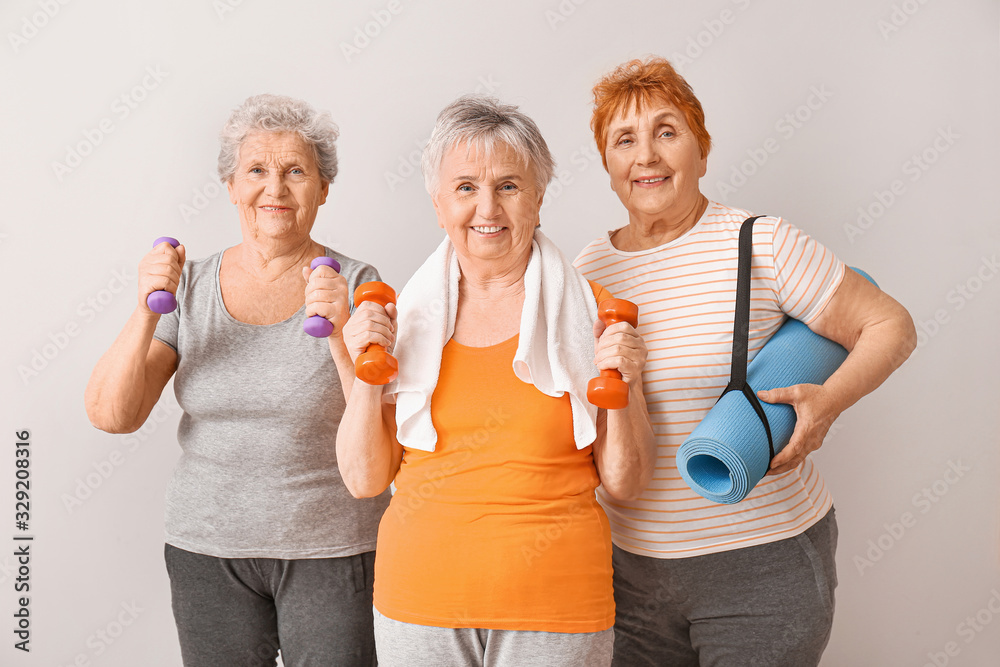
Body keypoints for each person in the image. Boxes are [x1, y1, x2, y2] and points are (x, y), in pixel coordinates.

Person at [573, 57, 917, 666]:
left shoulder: (761, 243)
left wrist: (827, 404)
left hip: (764, 568)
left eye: (666, 132)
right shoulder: (585, 274)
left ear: (701, 151)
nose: (646, 155)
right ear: (607, 166)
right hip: (628, 576)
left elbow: (890, 325)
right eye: (624, 140)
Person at [335, 94, 656, 667]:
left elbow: (625, 482)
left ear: (537, 198)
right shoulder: (399, 320)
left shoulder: (595, 317)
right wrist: (363, 367)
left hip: (558, 603)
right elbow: (364, 479)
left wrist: (627, 383)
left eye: (508, 185)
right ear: (438, 204)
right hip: (419, 600)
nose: (488, 207)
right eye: (465, 188)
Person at [84, 94, 388, 666]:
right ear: (230, 185)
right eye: (256, 170)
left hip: (333, 548)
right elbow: (113, 415)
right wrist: (148, 306)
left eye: (296, 171)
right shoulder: (189, 286)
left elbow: (380, 428)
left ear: (323, 188)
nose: (275, 188)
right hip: (206, 549)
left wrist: (343, 336)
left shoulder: (358, 283)